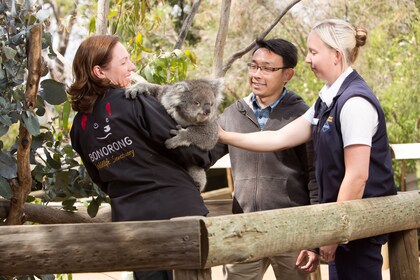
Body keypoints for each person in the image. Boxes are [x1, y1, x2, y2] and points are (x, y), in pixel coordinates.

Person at [218, 19, 397, 280]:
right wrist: (222, 135)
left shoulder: (355, 102)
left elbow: (357, 177)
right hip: (341, 222)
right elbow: (277, 138)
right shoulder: (327, 99)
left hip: (356, 226)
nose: (309, 60)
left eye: (313, 52)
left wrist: (332, 233)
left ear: (336, 55)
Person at [68, 35, 210, 280]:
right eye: (124, 63)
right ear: (99, 71)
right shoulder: (133, 100)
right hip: (179, 215)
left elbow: (102, 179)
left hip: (133, 225)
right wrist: (206, 153)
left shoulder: (78, 129)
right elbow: (184, 145)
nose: (132, 67)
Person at [210, 38, 319, 280]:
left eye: (268, 68)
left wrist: (314, 240)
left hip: (292, 230)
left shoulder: (302, 115)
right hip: (245, 229)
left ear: (287, 74)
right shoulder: (232, 114)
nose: (257, 74)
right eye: (253, 66)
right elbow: (203, 155)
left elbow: (315, 177)